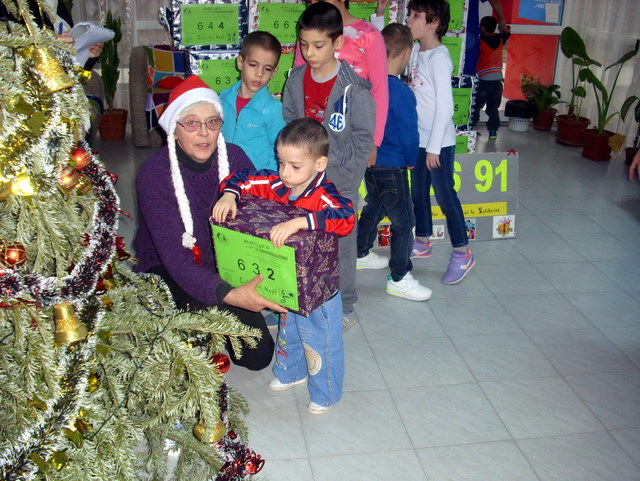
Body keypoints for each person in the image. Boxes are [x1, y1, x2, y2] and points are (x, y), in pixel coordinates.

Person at [133, 75, 281, 371]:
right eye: (191, 123)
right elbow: (177, 260)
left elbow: (258, 221)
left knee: (258, 355)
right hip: (170, 269)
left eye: (212, 122)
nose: (204, 133)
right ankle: (180, 322)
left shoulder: (236, 159)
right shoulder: (153, 174)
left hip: (223, 263)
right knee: (190, 344)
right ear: (173, 129)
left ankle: (205, 322)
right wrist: (230, 295)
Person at [212, 118, 355, 414]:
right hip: (288, 281)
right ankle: (291, 373)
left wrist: (302, 221)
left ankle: (326, 392)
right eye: (281, 163)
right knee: (289, 330)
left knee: (319, 338)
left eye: (294, 166)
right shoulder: (276, 183)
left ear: (319, 164)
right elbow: (242, 178)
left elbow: (347, 216)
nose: (285, 173)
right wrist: (229, 194)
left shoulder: (324, 194)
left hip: (320, 290)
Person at [282, 2, 375, 330]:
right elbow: (291, 126)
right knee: (304, 238)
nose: (309, 53)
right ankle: (304, 295)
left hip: (341, 182)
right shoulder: (294, 81)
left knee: (342, 245)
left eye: (318, 45)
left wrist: (342, 171)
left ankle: (345, 303)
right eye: (303, 44)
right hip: (303, 181)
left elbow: (364, 140)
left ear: (337, 44)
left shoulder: (356, 89)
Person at [356, 23, 431, 302]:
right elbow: (410, 132)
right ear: (406, 52)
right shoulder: (400, 91)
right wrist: (412, 159)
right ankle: (400, 276)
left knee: (375, 205)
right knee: (405, 220)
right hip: (394, 165)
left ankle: (359, 252)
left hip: (371, 162)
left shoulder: (368, 85)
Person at [406, 0, 476, 284]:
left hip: (439, 143)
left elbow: (446, 108)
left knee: (445, 196)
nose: (409, 20)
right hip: (419, 139)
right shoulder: (413, 50)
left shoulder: (439, 57)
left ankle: (462, 252)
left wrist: (434, 147)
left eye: (415, 16)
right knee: (418, 193)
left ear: (433, 22)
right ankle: (422, 240)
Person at [294, 0, 388, 168]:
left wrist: (373, 142)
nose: (315, 4)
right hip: (310, 138)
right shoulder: (308, 34)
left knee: (342, 191)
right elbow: (297, 84)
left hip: (349, 138)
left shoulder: (369, 35)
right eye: (310, 1)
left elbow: (379, 91)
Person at [220, 31, 286, 171]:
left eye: (267, 69)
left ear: (274, 72)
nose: (259, 74)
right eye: (253, 65)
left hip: (257, 185)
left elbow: (282, 154)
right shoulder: (222, 99)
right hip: (224, 178)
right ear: (240, 62)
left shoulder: (274, 110)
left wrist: (270, 184)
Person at [472, 15, 510, 139]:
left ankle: (471, 128)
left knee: (476, 106)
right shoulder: (500, 39)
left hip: (484, 81)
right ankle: (493, 131)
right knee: (493, 108)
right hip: (497, 81)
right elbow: (507, 32)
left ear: (482, 28)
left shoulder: (480, 41)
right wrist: (503, 26)